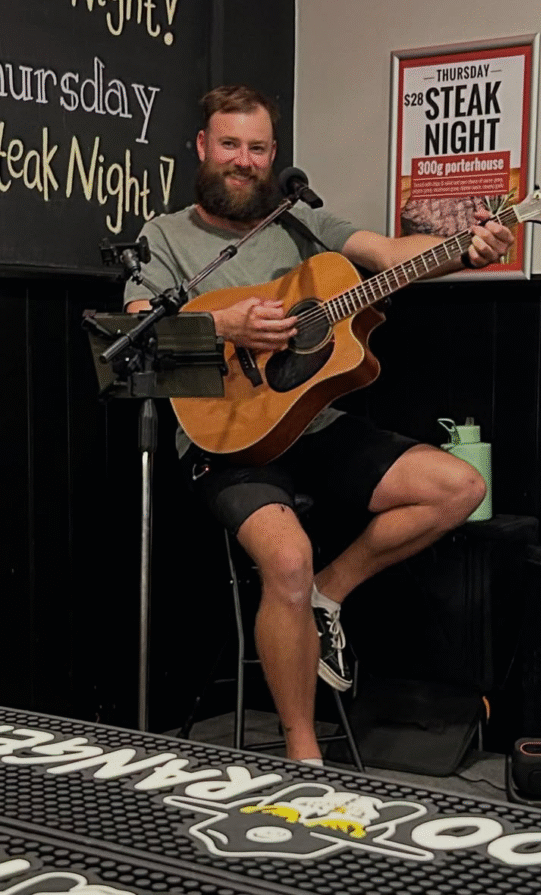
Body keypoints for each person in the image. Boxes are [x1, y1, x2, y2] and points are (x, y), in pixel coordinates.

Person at [124, 85, 514, 764]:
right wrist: (224, 322)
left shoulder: (301, 222)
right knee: (287, 558)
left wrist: (466, 249)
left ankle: (329, 595)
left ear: (272, 154)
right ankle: (304, 758)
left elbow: (393, 253)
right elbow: (136, 324)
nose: (242, 161)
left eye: (256, 148)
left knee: (455, 488)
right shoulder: (164, 234)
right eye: (229, 145)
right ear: (202, 148)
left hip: (314, 424)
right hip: (225, 439)